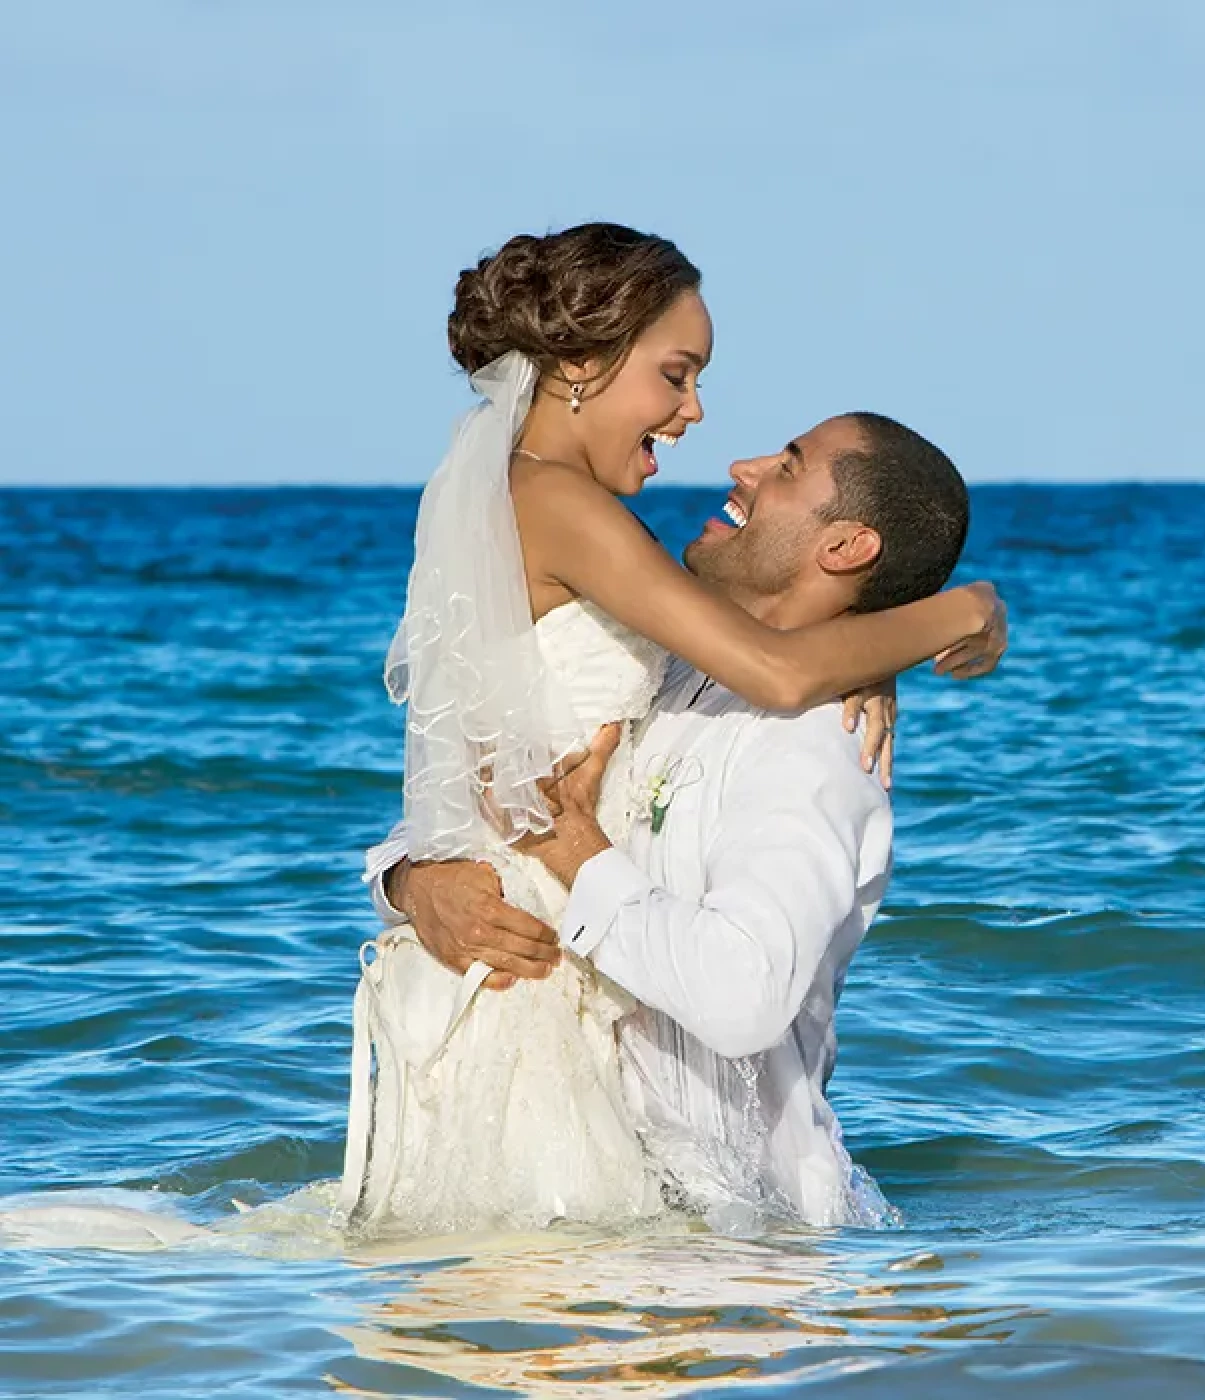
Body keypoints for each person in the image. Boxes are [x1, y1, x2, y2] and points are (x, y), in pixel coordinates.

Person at [340, 224, 1006, 1237]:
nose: (700, 419)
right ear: (579, 363)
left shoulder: (791, 730)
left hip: (659, 1129)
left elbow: (763, 679)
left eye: (783, 465)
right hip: (526, 998)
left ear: (843, 542)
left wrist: (868, 653)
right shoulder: (563, 508)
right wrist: (956, 613)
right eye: (676, 374)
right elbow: (775, 666)